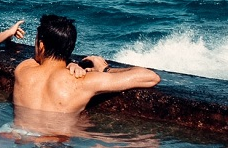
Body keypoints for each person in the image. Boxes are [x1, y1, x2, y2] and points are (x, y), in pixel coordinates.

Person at [13, 14, 160, 115]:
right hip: (55, 145)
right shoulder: (83, 82)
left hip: (17, 134)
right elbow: (151, 77)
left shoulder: (23, 69)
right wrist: (105, 69)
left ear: (41, 46)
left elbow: (45, 66)